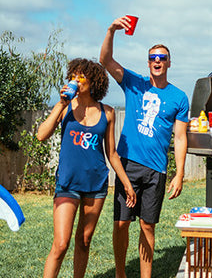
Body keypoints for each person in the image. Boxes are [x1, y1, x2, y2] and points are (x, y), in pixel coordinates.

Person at [99, 16, 189, 278]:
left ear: (169, 62)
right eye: (152, 57)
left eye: (162, 57)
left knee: (148, 226)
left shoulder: (179, 97)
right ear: (148, 62)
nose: (157, 61)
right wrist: (111, 31)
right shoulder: (133, 83)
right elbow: (105, 60)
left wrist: (180, 172)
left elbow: (180, 138)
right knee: (121, 224)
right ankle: (120, 273)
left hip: (156, 170)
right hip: (127, 165)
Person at [38, 58, 136, 278]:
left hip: (96, 184)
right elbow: (41, 135)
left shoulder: (108, 112)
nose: (76, 80)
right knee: (61, 244)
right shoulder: (64, 108)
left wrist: (127, 184)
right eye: (73, 75)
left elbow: (112, 154)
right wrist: (62, 104)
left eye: (81, 76)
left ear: (94, 81)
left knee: (84, 242)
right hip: (67, 183)